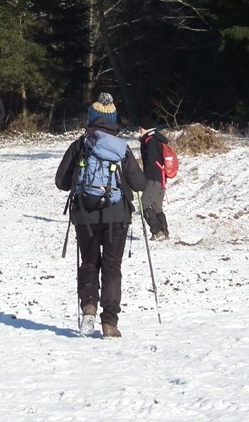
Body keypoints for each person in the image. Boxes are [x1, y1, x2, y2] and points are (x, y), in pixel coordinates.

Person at [55, 113, 146, 338]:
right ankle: (109, 324)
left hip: (85, 215)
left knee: (89, 262)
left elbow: (61, 182)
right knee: (112, 267)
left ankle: (89, 308)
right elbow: (139, 183)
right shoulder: (120, 147)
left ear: (92, 120)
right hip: (117, 215)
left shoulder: (80, 145)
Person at [137, 120, 171, 241]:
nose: (139, 130)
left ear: (146, 128)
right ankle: (164, 231)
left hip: (153, 177)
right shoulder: (157, 138)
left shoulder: (150, 141)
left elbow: (151, 162)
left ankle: (157, 231)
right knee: (157, 207)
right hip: (161, 178)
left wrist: (144, 179)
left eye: (141, 128)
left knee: (144, 204)